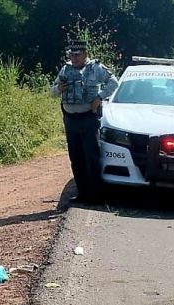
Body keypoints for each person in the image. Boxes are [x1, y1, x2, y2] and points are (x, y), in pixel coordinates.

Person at [51, 40, 119, 204]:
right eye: (71, 55)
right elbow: (52, 92)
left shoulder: (95, 68)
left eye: (77, 55)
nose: (74, 58)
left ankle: (96, 196)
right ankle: (82, 193)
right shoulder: (65, 69)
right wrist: (59, 88)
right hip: (70, 120)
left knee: (91, 157)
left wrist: (99, 97)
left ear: (85, 54)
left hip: (88, 119)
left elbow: (114, 83)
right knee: (76, 157)